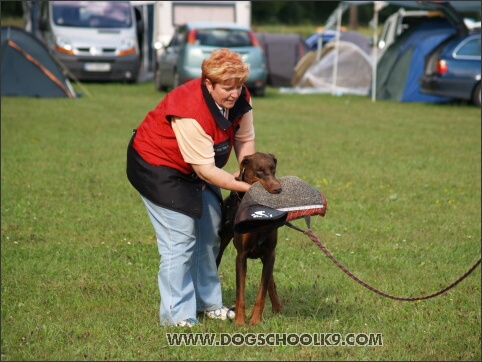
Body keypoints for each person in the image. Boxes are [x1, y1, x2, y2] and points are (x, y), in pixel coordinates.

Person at [126, 48, 255, 327]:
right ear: (208, 84)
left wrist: (248, 173)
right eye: (227, 88)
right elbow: (206, 170)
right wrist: (242, 186)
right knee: (180, 240)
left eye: (239, 86)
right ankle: (177, 316)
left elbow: (244, 140)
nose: (234, 94)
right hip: (158, 166)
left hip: (197, 165)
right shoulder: (190, 111)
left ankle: (208, 303)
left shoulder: (241, 98)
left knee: (210, 230)